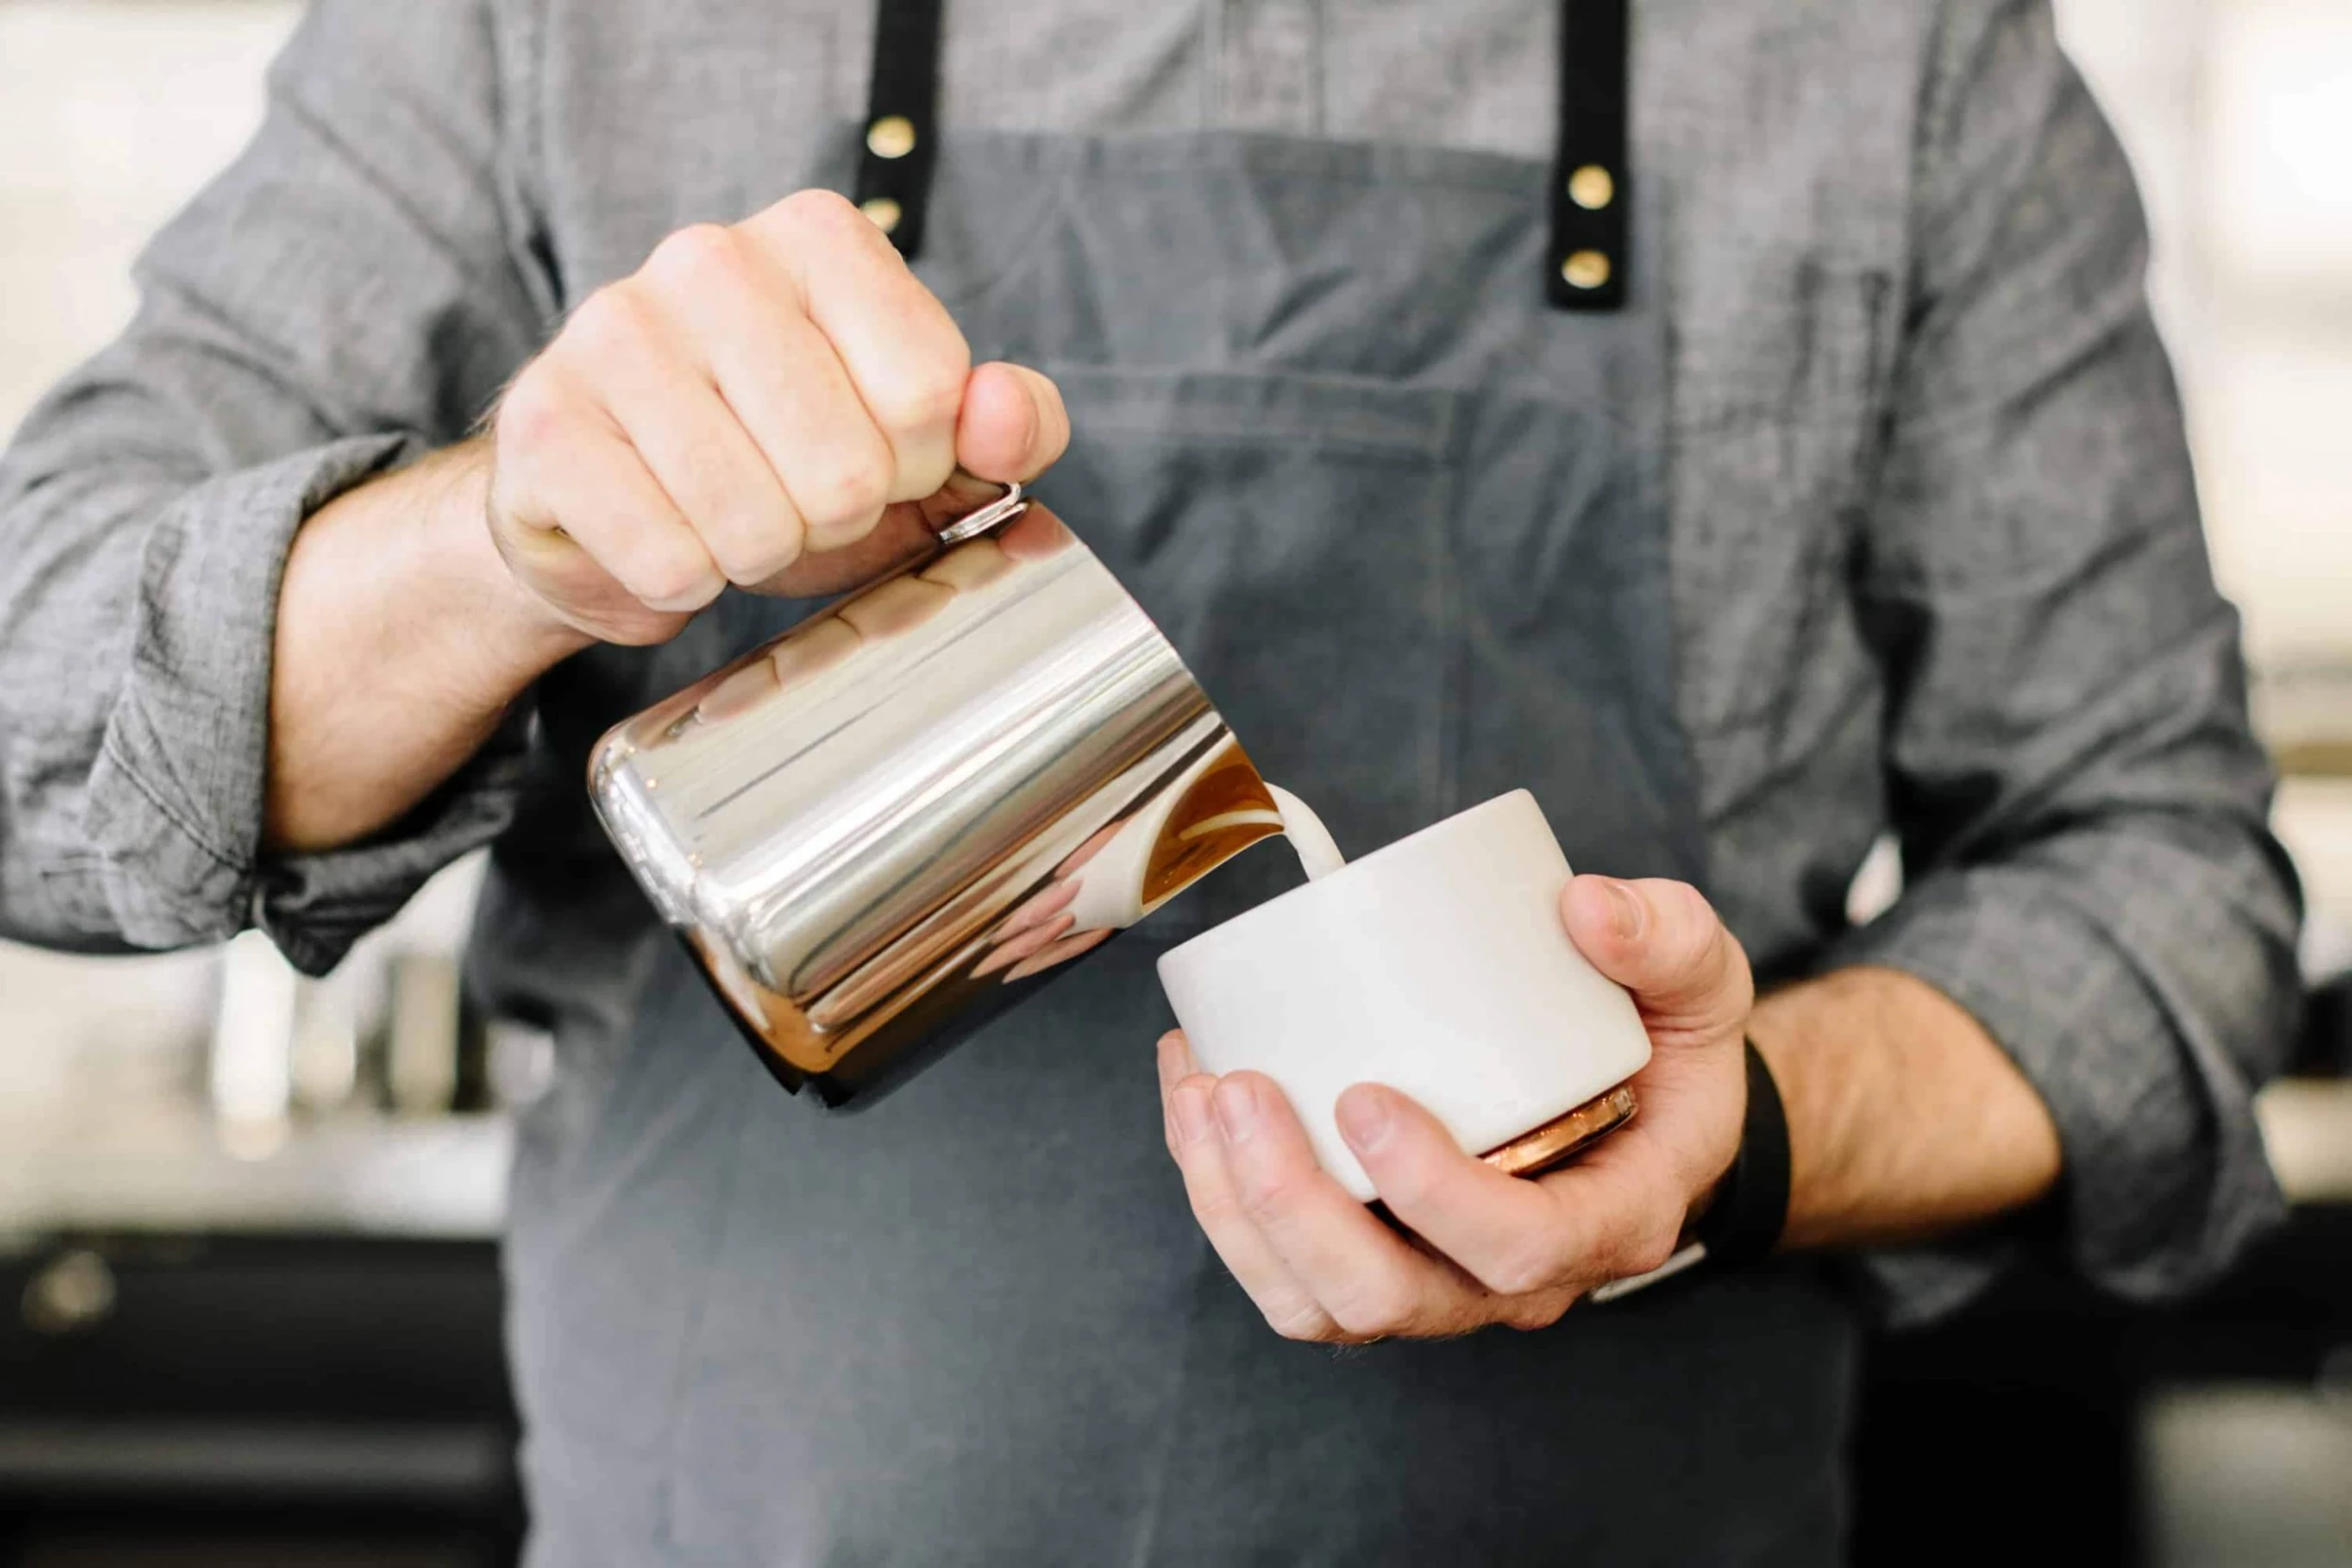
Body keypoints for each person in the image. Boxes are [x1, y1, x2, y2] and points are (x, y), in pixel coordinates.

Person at [0, 0, 2303, 1560]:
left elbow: (2167, 899)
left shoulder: (1891, 57)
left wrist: (1745, 1133)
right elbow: (37, 746)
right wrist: (502, 529)